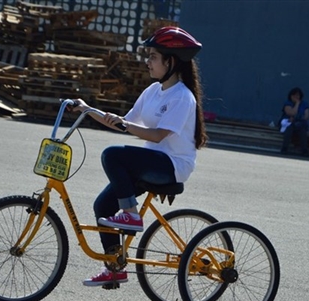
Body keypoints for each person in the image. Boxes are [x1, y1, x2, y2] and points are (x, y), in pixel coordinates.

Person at [72, 27, 208, 287]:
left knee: (112, 155)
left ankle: (131, 214)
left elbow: (157, 136)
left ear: (171, 61)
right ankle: (114, 268)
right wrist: (87, 110)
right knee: (103, 206)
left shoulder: (182, 97)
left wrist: (124, 126)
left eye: (153, 57)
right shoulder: (153, 92)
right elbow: (125, 122)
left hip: (171, 166)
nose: (148, 61)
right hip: (150, 162)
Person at [279, 87, 309, 155]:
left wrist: (299, 119)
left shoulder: (304, 104)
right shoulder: (288, 103)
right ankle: (284, 148)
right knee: (289, 129)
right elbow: (291, 113)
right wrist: (297, 104)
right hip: (287, 123)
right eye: (294, 95)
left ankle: (304, 150)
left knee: (303, 131)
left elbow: (306, 116)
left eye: (298, 95)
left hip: (299, 123)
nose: (296, 97)